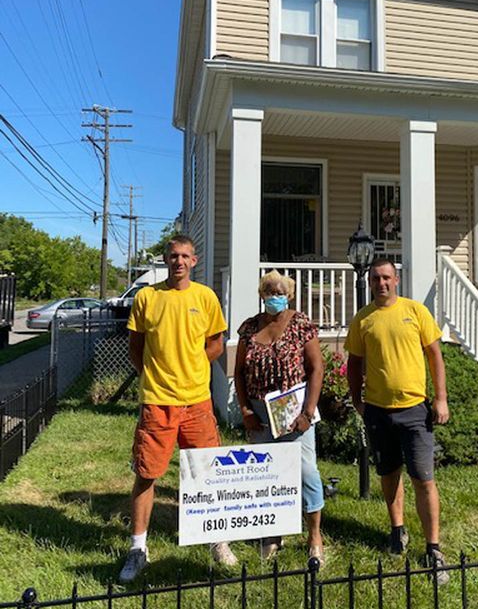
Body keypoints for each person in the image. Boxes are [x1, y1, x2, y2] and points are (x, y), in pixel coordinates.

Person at [119, 234, 237, 583]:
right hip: (158, 401)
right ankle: (137, 548)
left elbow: (215, 343)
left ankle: (216, 538)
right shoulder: (146, 298)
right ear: (165, 260)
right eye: (173, 256)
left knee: (206, 473)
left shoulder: (206, 297)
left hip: (198, 401)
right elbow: (135, 347)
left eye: (185, 256)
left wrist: (194, 364)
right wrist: (154, 375)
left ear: (194, 261)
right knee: (147, 473)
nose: (179, 261)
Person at [345, 257, 450, 583]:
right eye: (376, 278)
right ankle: (397, 530)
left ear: (396, 280)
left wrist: (440, 398)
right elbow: (354, 363)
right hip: (378, 410)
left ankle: (433, 547)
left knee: (423, 479)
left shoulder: (415, 311)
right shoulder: (363, 319)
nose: (381, 283)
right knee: (389, 475)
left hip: (415, 410)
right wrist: (357, 400)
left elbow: (435, 355)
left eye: (386, 278)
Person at [234, 270, 325, 563]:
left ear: (290, 295)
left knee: (306, 471)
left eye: (280, 292)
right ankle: (274, 532)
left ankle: (314, 535)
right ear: (262, 295)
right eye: (270, 291)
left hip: (294, 410)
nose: (275, 296)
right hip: (260, 413)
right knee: (266, 473)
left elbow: (316, 369)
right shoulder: (249, 328)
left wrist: (307, 412)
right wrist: (245, 409)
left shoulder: (300, 324)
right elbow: (238, 372)